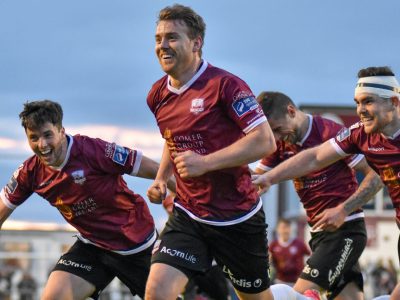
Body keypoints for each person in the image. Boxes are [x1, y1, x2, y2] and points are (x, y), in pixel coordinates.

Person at [145, 4, 324, 300]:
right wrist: (162, 179)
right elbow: (172, 137)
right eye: (158, 38)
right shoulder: (157, 95)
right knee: (157, 291)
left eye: (172, 37)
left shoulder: (226, 85)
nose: (162, 45)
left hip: (237, 219)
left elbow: (265, 141)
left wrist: (205, 163)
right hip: (189, 214)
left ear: (196, 43)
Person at [252, 66, 400, 300]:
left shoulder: (328, 130)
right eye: (357, 102)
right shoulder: (359, 134)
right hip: (321, 233)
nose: (360, 110)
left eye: (368, 102)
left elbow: (374, 176)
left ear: (394, 101)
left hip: (345, 230)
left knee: (291, 296)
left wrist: (343, 209)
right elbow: (313, 157)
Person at [0, 100, 173, 300]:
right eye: (34, 138)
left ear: (61, 131)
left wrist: (183, 194)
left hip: (136, 243)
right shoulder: (29, 173)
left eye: (48, 135)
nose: (42, 145)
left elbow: (149, 167)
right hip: (92, 246)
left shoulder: (93, 150)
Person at [269, 218, 310, 286]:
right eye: (282, 227)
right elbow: (268, 260)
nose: (285, 230)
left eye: (287, 227)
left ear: (290, 229)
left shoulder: (299, 243)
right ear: (278, 229)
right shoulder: (273, 245)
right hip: (280, 282)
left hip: (297, 282)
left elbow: (310, 257)